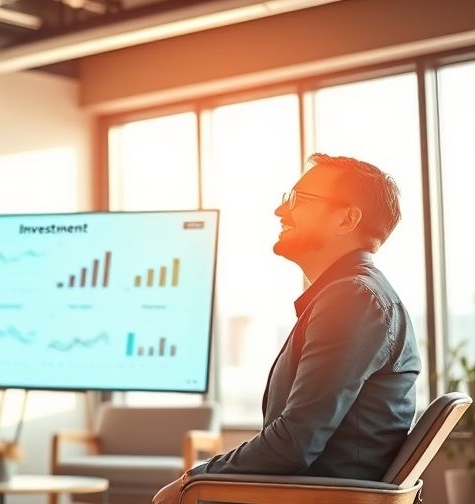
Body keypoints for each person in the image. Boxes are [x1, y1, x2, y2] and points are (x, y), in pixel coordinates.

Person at [153, 154, 421, 503]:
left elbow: (294, 444)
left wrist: (193, 479)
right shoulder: (352, 295)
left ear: (347, 219)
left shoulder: (353, 299)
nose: (281, 212)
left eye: (298, 200)